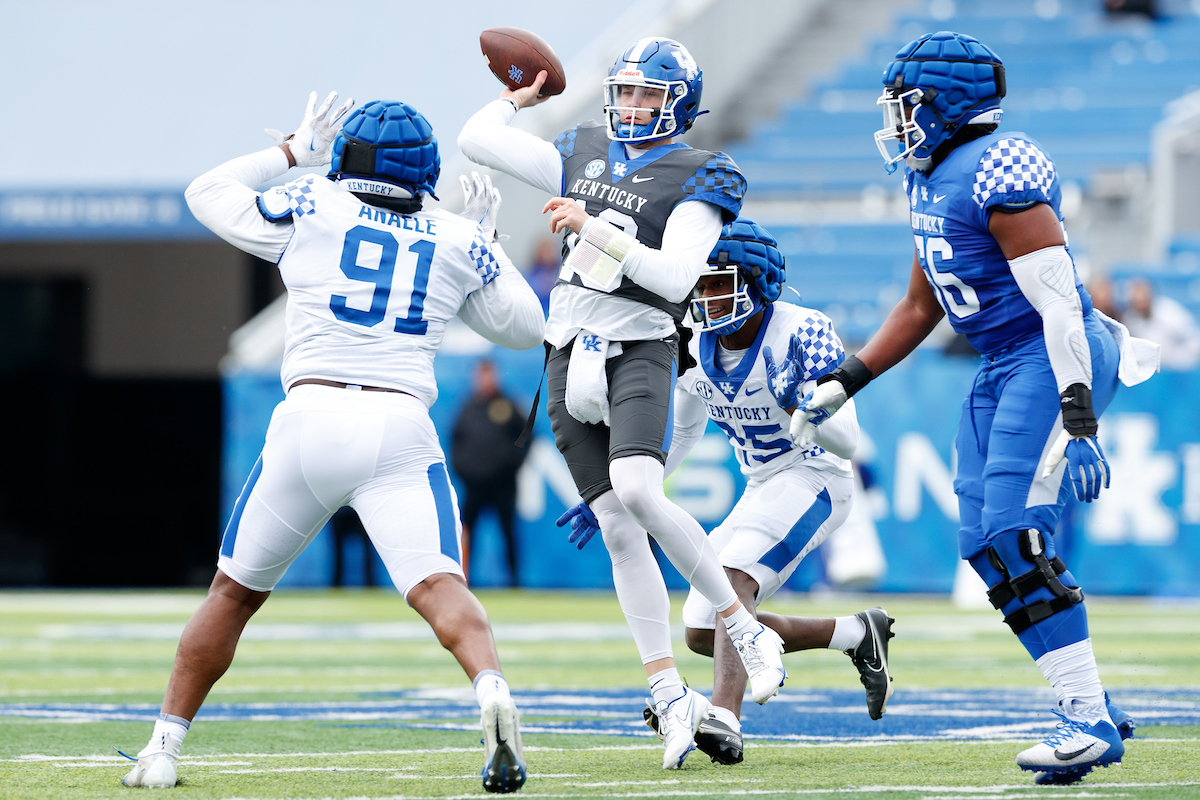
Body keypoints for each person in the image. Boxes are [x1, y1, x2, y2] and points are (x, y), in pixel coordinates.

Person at [119, 92, 545, 793]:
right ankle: (491, 686)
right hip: (399, 426)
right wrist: (487, 246)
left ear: (348, 156)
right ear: (425, 171)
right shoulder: (454, 236)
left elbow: (207, 192)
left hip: (310, 417)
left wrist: (289, 151)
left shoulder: (315, 201)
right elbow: (526, 329)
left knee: (231, 595)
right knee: (441, 585)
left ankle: (163, 748)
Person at [792, 32, 1158, 785]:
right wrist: (846, 378)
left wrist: (1080, 420)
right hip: (1000, 364)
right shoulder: (930, 180)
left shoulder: (999, 169)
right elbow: (921, 304)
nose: (895, 123)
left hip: (1055, 355)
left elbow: (1060, 308)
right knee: (984, 546)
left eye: (907, 107)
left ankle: (1086, 719)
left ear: (947, 105)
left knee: (1015, 535)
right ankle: (1089, 700)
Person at [458, 37, 789, 769]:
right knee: (615, 525)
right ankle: (669, 693)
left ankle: (745, 630)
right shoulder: (583, 149)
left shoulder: (702, 172)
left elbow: (674, 280)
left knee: (640, 489)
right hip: (567, 347)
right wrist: (518, 97)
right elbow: (476, 140)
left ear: (679, 105)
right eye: (627, 92)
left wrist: (595, 230)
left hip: (641, 344)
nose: (633, 106)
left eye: (649, 95)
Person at [562, 219, 895, 765]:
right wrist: (625, 487)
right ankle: (857, 634)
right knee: (701, 627)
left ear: (759, 282)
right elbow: (687, 430)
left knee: (733, 581)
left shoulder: (802, 329)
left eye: (721, 283)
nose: (708, 295)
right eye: (703, 284)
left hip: (816, 476)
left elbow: (849, 441)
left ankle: (724, 718)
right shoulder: (693, 342)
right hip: (762, 482)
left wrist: (807, 405)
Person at [451, 358, 529, 585]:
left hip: (503, 484)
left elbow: (526, 436)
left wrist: (512, 465)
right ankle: (464, 580)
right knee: (467, 533)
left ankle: (514, 582)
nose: (484, 380)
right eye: (480, 375)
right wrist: (464, 471)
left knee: (508, 532)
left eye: (488, 374)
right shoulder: (467, 407)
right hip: (474, 485)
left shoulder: (508, 405)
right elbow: (456, 441)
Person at [1123, 277, 1200, 371]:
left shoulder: (1169, 312)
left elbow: (1192, 339)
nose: (1139, 299)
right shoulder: (1130, 318)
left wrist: (1181, 361)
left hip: (1177, 369)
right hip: (1151, 373)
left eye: (1142, 295)